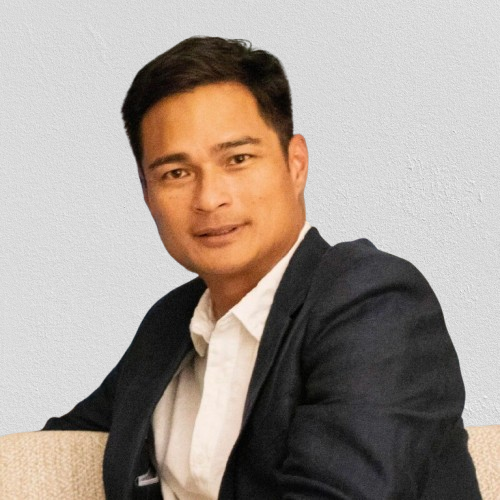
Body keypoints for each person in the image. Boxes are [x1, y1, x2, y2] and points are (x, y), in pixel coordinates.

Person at [43, 36, 481, 500]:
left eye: (238, 159)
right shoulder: (170, 326)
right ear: (147, 193)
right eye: (176, 173)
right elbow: (57, 446)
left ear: (296, 164)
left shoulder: (373, 303)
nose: (210, 198)